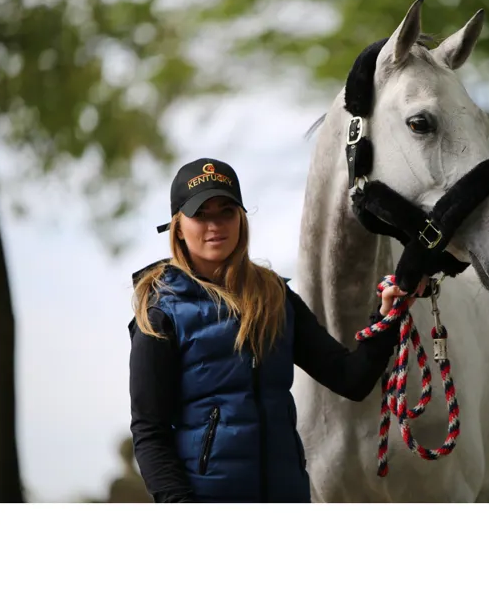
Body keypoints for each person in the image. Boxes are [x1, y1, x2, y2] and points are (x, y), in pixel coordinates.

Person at [128, 157, 423, 503]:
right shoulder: (160, 312)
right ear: (178, 226)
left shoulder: (275, 297)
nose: (215, 224)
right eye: (201, 213)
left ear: (241, 218)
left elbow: (351, 378)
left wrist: (386, 316)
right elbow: (149, 433)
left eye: (226, 211)